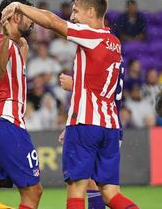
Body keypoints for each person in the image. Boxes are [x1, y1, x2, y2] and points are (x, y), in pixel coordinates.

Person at [1, 0, 139, 209]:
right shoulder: (115, 43)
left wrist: (19, 6)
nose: (72, 16)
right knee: (111, 194)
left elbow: (51, 22)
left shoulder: (92, 36)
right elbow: (102, 87)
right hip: (111, 126)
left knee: (76, 189)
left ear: (91, 12)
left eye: (76, 11)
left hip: (86, 124)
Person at [0, 0, 43, 209]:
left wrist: (20, 47)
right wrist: (6, 36)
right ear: (15, 16)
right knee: (33, 191)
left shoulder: (17, 45)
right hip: (5, 123)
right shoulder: (0, 42)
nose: (33, 21)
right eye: (29, 15)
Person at [59, 58, 125, 209]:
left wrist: (74, 86)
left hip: (95, 123)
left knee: (85, 186)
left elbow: (100, 92)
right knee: (103, 189)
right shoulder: (114, 54)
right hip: (111, 122)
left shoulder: (97, 52)